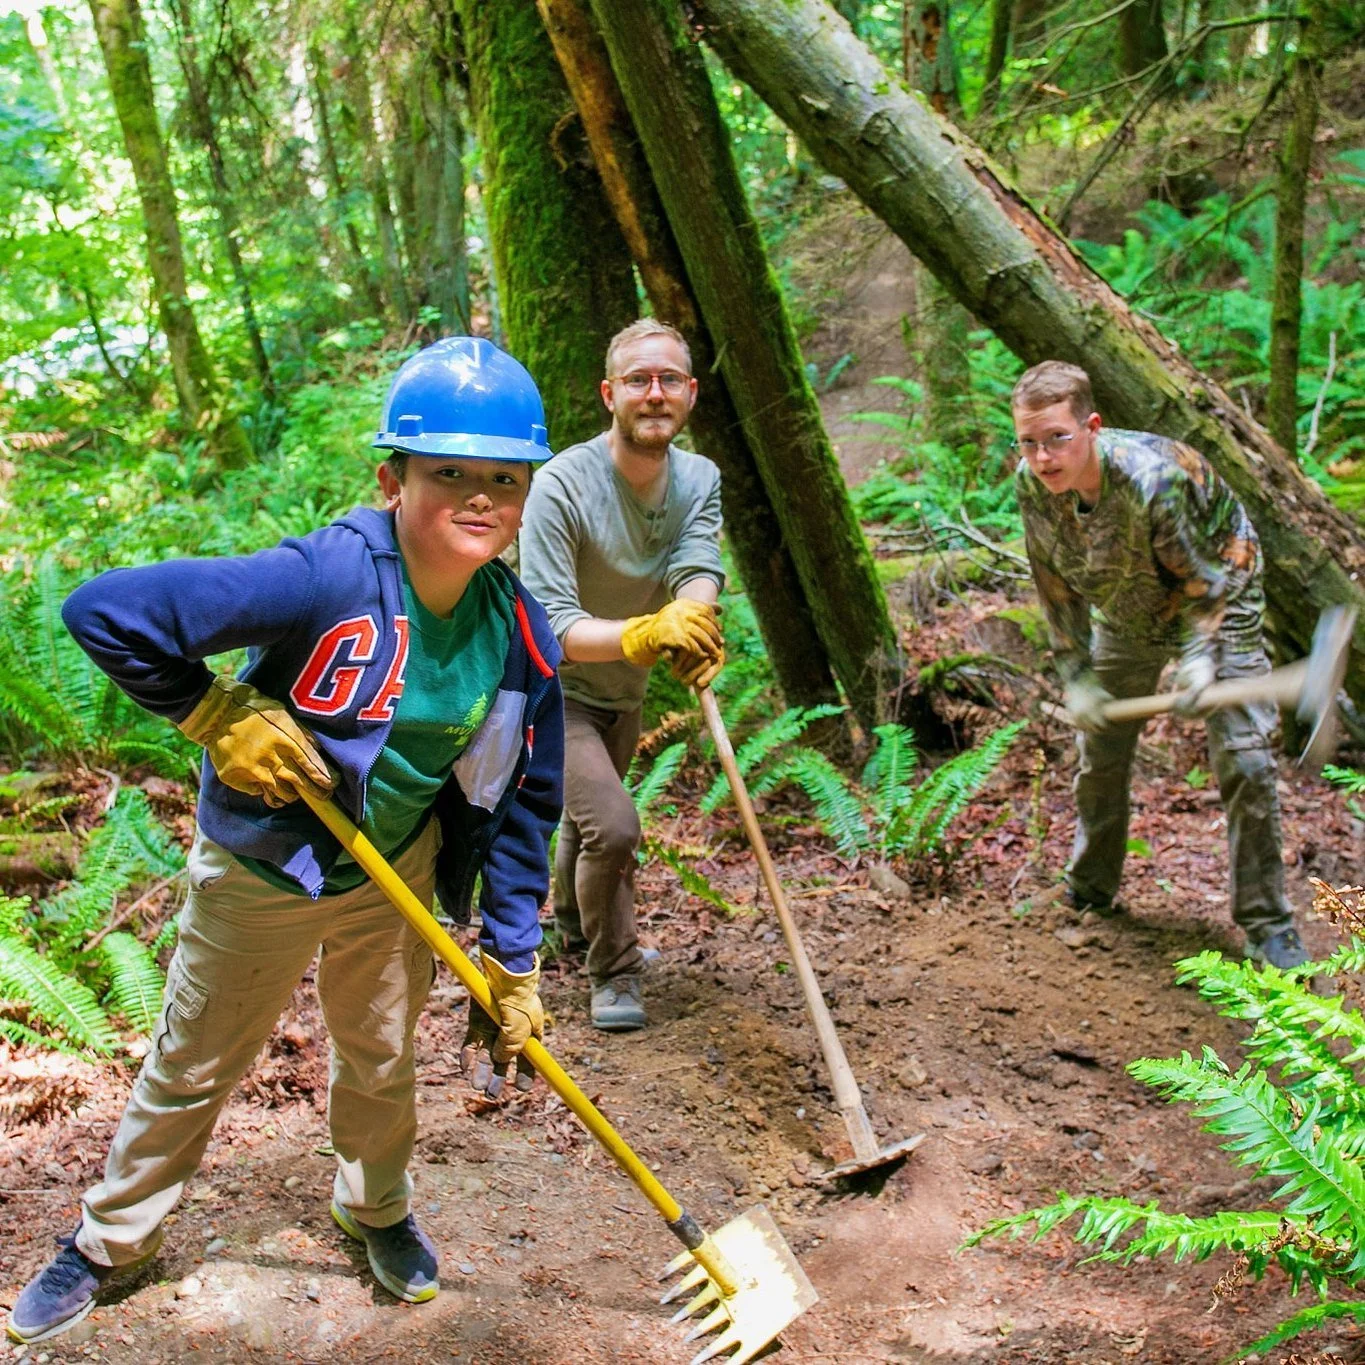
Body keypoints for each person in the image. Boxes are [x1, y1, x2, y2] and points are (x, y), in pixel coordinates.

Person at [7, 337, 564, 1345]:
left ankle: (376, 1208)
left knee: (382, 1057)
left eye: (503, 477)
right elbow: (104, 612)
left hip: (395, 868)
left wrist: (513, 954)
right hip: (264, 866)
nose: (479, 496)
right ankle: (110, 1241)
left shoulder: (518, 629)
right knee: (193, 1059)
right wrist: (212, 712)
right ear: (393, 477)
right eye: (449, 473)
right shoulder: (332, 572)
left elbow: (526, 801)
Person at [1013, 359, 1306, 970]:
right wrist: (1076, 674)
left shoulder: (1152, 479)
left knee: (1245, 760)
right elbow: (1053, 584)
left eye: (1058, 439)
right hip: (1126, 604)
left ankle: (1270, 927)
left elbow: (1202, 581)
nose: (1043, 458)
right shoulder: (1032, 486)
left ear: (1091, 427)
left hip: (1217, 594)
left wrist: (1200, 661)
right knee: (1101, 752)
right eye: (1030, 442)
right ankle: (1090, 888)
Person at [518, 319, 725, 1033]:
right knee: (611, 825)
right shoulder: (560, 486)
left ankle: (577, 929)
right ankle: (613, 971)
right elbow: (548, 627)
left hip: (622, 693)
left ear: (690, 394)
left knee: (585, 828)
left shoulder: (699, 478)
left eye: (668, 379)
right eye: (638, 379)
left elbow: (696, 563)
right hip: (550, 690)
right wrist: (648, 631)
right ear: (610, 394)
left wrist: (694, 619)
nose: (654, 393)